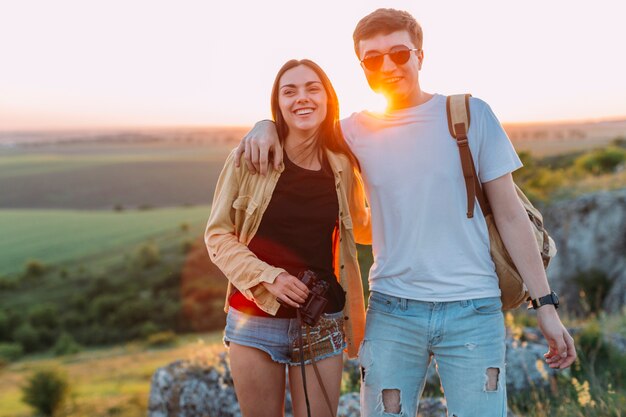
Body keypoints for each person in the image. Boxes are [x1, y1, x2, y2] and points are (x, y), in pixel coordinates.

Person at [233, 8, 576, 417]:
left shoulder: (469, 115)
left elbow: (510, 215)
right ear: (362, 66)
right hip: (393, 310)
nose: (388, 66)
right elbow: (300, 128)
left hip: (474, 309)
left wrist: (546, 307)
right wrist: (263, 125)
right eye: (374, 58)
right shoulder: (352, 131)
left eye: (399, 53)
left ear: (420, 56)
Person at [205, 58, 371, 417]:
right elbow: (218, 237)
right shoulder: (249, 157)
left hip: (322, 318)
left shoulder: (342, 163)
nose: (302, 98)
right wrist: (271, 277)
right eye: (289, 91)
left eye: (313, 89)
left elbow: (362, 227)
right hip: (254, 318)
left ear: (328, 98)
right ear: (277, 103)